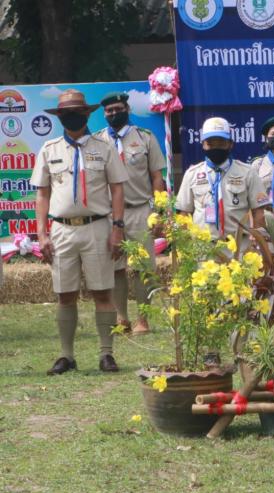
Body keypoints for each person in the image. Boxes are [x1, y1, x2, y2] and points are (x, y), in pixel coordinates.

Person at [31, 89, 128, 375]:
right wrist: (42, 232)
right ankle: (67, 356)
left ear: (87, 114)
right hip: (62, 229)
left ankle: (106, 354)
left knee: (102, 291)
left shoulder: (104, 148)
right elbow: (42, 194)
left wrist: (118, 228)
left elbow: (117, 188)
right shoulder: (49, 149)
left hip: (97, 226)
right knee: (64, 293)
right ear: (60, 117)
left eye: (76, 112)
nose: (71, 116)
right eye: (65, 113)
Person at [94, 92, 167, 335]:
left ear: (127, 109)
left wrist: (159, 211)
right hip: (108, 216)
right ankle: (122, 318)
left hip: (139, 211)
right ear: (104, 115)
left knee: (144, 268)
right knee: (115, 267)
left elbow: (158, 177)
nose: (114, 114)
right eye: (109, 111)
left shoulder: (145, 138)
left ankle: (143, 319)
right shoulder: (97, 141)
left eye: (118, 109)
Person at [175, 117, 270, 245]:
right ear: (203, 144)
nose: (216, 147)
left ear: (230, 144)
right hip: (203, 249)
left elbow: (258, 211)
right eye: (211, 143)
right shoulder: (192, 174)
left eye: (220, 143)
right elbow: (184, 213)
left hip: (238, 247)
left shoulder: (247, 172)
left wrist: (258, 243)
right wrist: (185, 247)